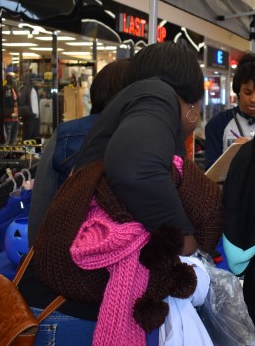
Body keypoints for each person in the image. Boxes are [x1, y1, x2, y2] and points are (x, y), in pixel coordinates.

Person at [20, 42, 221, 345]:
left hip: (58, 303)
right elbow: (134, 168)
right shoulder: (157, 95)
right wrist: (183, 239)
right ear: (191, 100)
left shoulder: (124, 114)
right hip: (71, 312)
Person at [27, 59, 128, 246]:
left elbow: (42, 200)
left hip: (65, 247)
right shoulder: (142, 136)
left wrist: (36, 249)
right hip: (124, 252)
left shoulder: (66, 133)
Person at [204, 52, 255, 169]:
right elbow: (211, 173)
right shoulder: (217, 124)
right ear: (238, 89)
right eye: (247, 92)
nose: (253, 99)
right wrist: (233, 154)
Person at [18, 73, 40, 141]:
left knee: (35, 137)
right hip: (29, 118)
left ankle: (36, 147)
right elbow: (21, 103)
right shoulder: (25, 89)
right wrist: (30, 114)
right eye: (33, 79)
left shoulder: (33, 89)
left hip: (34, 118)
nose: (35, 81)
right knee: (28, 137)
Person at [2, 72, 19, 144]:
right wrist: (9, 114)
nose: (15, 80)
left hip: (16, 117)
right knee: (7, 140)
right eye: (13, 78)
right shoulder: (6, 89)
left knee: (13, 139)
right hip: (8, 118)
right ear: (8, 79)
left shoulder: (13, 89)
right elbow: (5, 104)